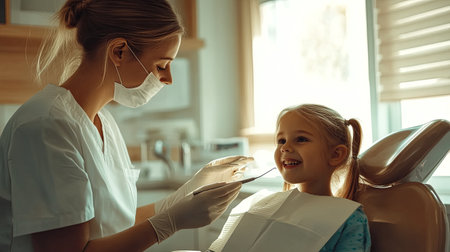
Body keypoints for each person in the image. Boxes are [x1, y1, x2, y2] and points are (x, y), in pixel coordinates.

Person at [0, 0, 253, 251]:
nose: (168, 79)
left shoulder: (103, 122)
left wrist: (185, 195)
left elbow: (115, 223)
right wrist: (171, 222)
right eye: (162, 65)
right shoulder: (47, 127)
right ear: (118, 51)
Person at [208, 104, 371, 252]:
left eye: (301, 139)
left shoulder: (348, 220)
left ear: (336, 154)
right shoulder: (261, 205)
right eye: (281, 140)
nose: (285, 147)